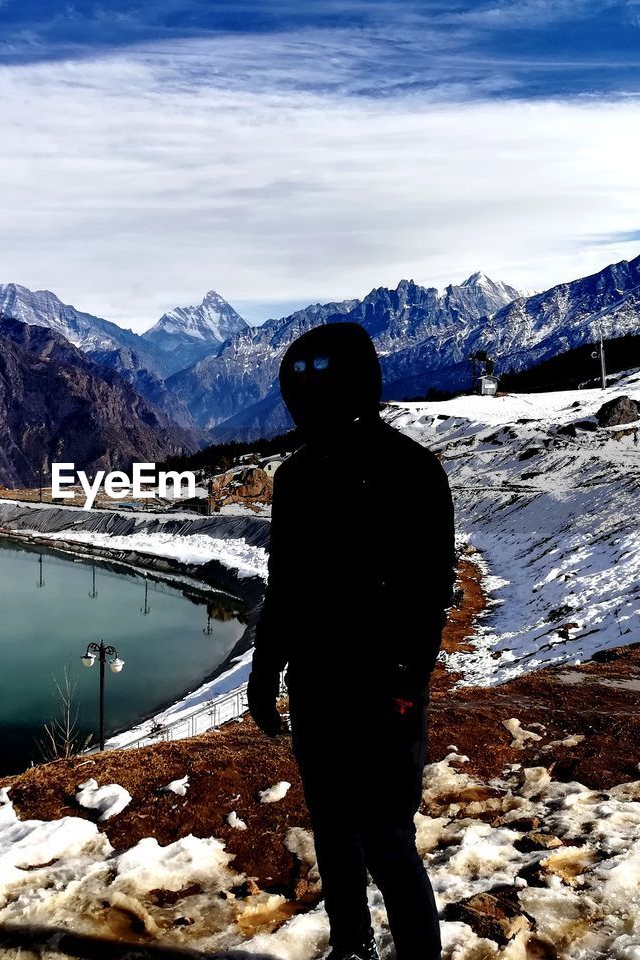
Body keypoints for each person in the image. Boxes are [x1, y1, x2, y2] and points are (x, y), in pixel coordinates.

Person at [248, 321, 455, 960]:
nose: (306, 410)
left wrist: (404, 682)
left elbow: (429, 592)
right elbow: (284, 586)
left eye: (316, 396)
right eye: (299, 398)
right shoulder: (296, 478)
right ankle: (351, 949)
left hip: (381, 691)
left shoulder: (413, 472)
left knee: (387, 838)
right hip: (316, 686)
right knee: (334, 833)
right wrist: (266, 669)